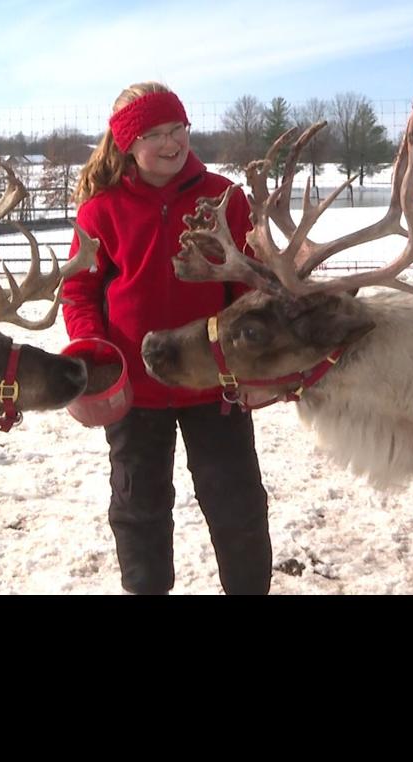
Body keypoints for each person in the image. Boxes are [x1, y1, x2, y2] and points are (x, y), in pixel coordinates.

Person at [64, 83, 271, 595]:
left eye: (177, 128)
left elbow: (252, 286)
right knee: (139, 510)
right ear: (127, 144)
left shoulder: (224, 198)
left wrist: (258, 367)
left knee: (237, 505)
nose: (171, 142)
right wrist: (93, 350)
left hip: (216, 382)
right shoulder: (101, 210)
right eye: (154, 133)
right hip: (135, 389)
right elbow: (80, 290)